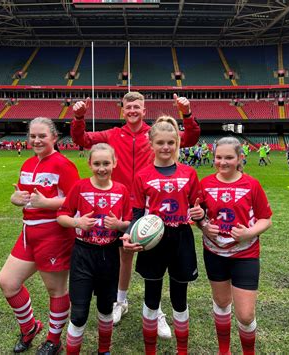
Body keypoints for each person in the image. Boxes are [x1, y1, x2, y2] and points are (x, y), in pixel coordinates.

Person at [71, 92, 200, 337]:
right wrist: (78, 117)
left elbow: (190, 138)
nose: (132, 110)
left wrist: (187, 114)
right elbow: (83, 139)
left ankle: (157, 310)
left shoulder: (154, 134)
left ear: (144, 109)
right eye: (128, 106)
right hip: (118, 203)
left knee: (153, 255)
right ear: (122, 110)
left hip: (150, 207)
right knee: (124, 255)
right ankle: (121, 301)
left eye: (137, 106)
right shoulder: (112, 134)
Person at [0, 117, 80, 354]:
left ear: (54, 137)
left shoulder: (63, 164)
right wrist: (15, 200)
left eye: (42, 135)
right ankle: (30, 327)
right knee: (8, 282)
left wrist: (48, 202)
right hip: (28, 233)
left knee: (56, 290)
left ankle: (54, 339)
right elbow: (23, 197)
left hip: (54, 235)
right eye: (32, 136)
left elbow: (75, 200)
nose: (36, 140)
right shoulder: (27, 164)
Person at [121, 116, 204, 355]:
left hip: (181, 239)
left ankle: (182, 350)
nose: (166, 147)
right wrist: (129, 234)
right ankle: (150, 350)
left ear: (177, 142)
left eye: (170, 142)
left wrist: (200, 213)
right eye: (160, 143)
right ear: (151, 143)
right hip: (152, 242)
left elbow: (197, 207)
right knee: (152, 296)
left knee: (180, 297)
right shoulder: (142, 176)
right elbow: (137, 212)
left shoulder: (189, 173)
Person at [197, 137, 272, 355]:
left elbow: (266, 219)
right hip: (214, 253)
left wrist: (248, 233)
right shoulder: (205, 184)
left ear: (240, 158)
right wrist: (202, 225)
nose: (223, 162)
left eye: (229, 157)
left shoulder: (251, 184)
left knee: (246, 314)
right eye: (219, 157)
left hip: (245, 254)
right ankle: (224, 351)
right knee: (221, 303)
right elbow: (198, 215)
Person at [57, 143, 132, 354]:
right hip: (83, 255)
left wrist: (118, 226)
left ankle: (104, 350)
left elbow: (128, 222)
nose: (102, 168)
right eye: (97, 163)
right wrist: (77, 223)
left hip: (109, 256)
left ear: (114, 163)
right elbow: (62, 216)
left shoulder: (121, 190)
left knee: (105, 309)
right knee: (79, 313)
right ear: (90, 164)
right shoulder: (80, 187)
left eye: (106, 163)